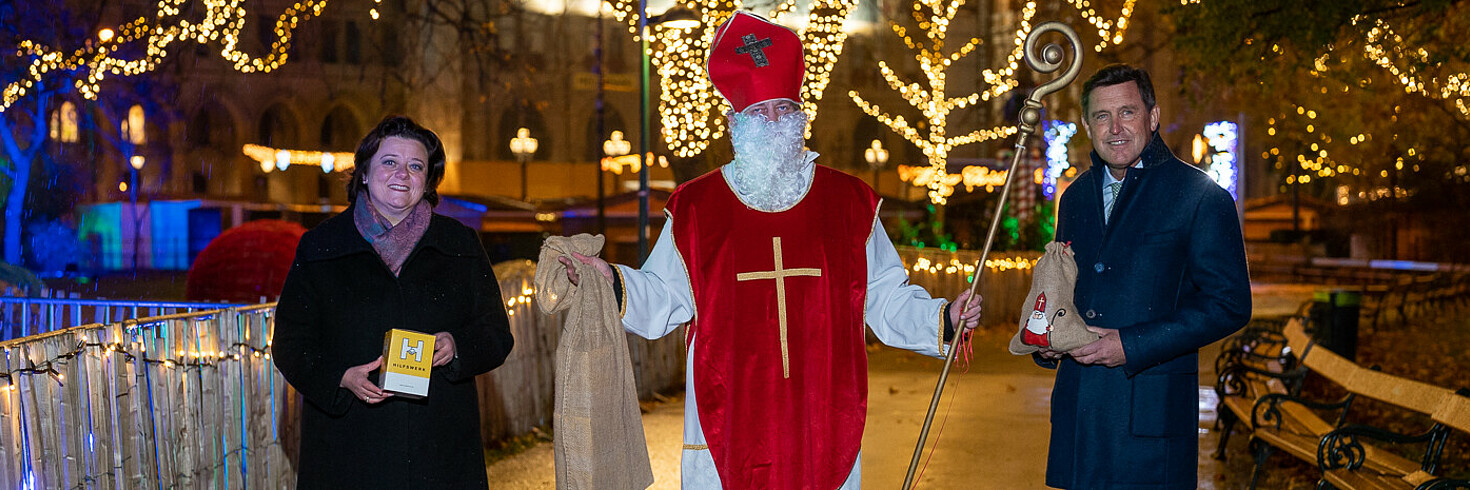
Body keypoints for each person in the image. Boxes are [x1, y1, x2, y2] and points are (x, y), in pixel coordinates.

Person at [559, 12, 982, 490]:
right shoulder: (697, 210)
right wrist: (606, 277)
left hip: (822, 416)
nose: (776, 122)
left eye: (784, 108)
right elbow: (661, 297)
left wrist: (944, 318)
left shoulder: (848, 204)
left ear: (801, 114)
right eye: (761, 112)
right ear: (736, 123)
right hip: (729, 417)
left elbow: (886, 297)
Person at [1037, 64, 1251, 488]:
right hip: (1080, 415)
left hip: (1149, 421)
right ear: (1086, 125)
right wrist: (1048, 337)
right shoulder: (1075, 197)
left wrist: (1131, 345)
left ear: (1152, 117)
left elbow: (1229, 304)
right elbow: (1066, 289)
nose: (1115, 127)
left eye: (1127, 112)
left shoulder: (1200, 196)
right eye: (1102, 116)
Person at [272, 115, 515, 489]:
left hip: (440, 451)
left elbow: (496, 334)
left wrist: (457, 346)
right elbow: (290, 343)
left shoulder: (460, 245)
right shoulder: (321, 247)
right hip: (347, 450)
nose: (402, 173)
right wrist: (339, 377)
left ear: (428, 181)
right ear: (365, 174)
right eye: (389, 162)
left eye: (415, 166)